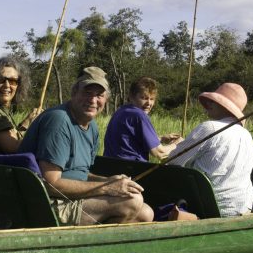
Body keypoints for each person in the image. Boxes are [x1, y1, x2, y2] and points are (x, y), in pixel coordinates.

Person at [18, 67, 154, 226]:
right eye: (87, 92)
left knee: (146, 213)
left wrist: (110, 180)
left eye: (99, 95)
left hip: (72, 198)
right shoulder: (59, 121)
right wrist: (106, 187)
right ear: (74, 92)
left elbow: (80, 174)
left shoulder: (93, 127)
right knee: (131, 202)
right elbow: (50, 183)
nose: (93, 100)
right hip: (48, 204)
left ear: (106, 100)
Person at [168, 83, 253, 216]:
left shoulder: (209, 127)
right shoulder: (246, 135)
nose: (209, 104)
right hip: (244, 206)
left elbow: (173, 162)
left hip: (212, 208)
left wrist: (176, 146)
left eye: (214, 102)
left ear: (226, 107)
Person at [104, 76, 182, 161]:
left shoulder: (121, 111)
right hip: (131, 170)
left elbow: (132, 141)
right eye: (144, 98)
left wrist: (162, 138)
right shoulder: (139, 115)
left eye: (152, 99)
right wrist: (178, 144)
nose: (149, 103)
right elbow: (159, 153)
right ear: (131, 97)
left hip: (111, 167)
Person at [0, 57, 42, 154]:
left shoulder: (1, 110)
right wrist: (38, 131)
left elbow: (12, 138)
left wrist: (27, 122)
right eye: (1, 79)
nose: (7, 85)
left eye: (12, 81)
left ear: (18, 86)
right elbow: (14, 148)